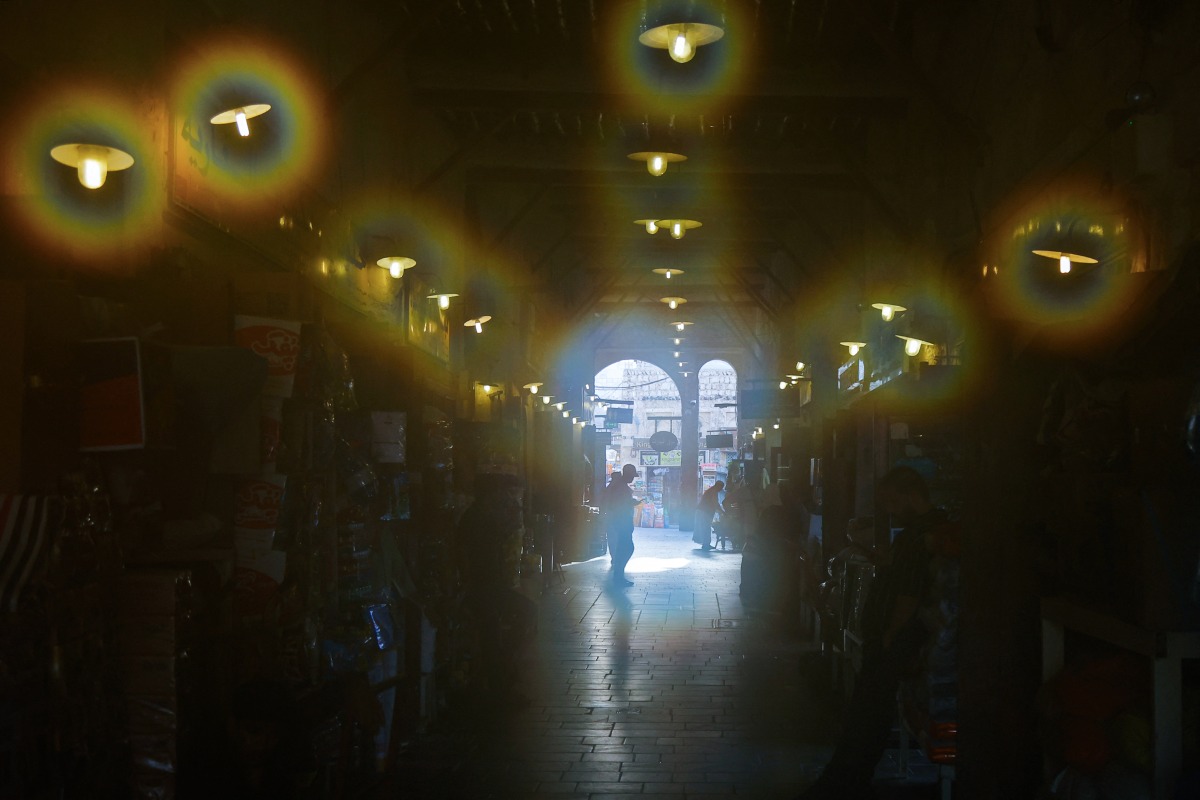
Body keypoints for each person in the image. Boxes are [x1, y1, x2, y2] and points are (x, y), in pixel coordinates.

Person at [799, 466, 950, 800]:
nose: (890, 510)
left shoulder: (919, 535)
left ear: (911, 495)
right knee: (870, 712)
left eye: (894, 501)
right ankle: (850, 778)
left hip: (894, 638)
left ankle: (847, 781)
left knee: (868, 712)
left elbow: (909, 594)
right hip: (893, 636)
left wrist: (890, 633)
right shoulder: (920, 532)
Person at [603, 464, 640, 586]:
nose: (633, 479)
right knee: (627, 547)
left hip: (620, 519)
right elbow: (618, 504)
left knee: (623, 548)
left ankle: (619, 575)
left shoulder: (620, 486)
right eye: (632, 476)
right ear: (627, 474)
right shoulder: (620, 487)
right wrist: (630, 503)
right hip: (621, 519)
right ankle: (618, 575)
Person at [691, 480, 725, 551]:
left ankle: (706, 544)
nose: (721, 489)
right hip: (704, 512)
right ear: (718, 486)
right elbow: (715, 503)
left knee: (705, 528)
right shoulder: (713, 491)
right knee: (706, 528)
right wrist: (722, 512)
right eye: (721, 487)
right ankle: (706, 544)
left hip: (703, 511)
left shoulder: (712, 490)